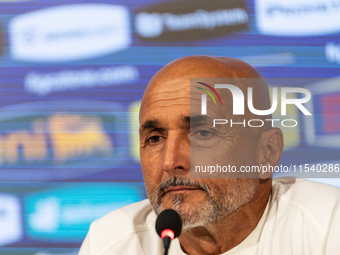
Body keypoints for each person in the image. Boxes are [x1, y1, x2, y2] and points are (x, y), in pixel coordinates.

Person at [78, 56, 340, 255]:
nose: (171, 162)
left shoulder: (329, 223)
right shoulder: (111, 243)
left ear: (266, 153)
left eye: (202, 134)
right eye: (155, 138)